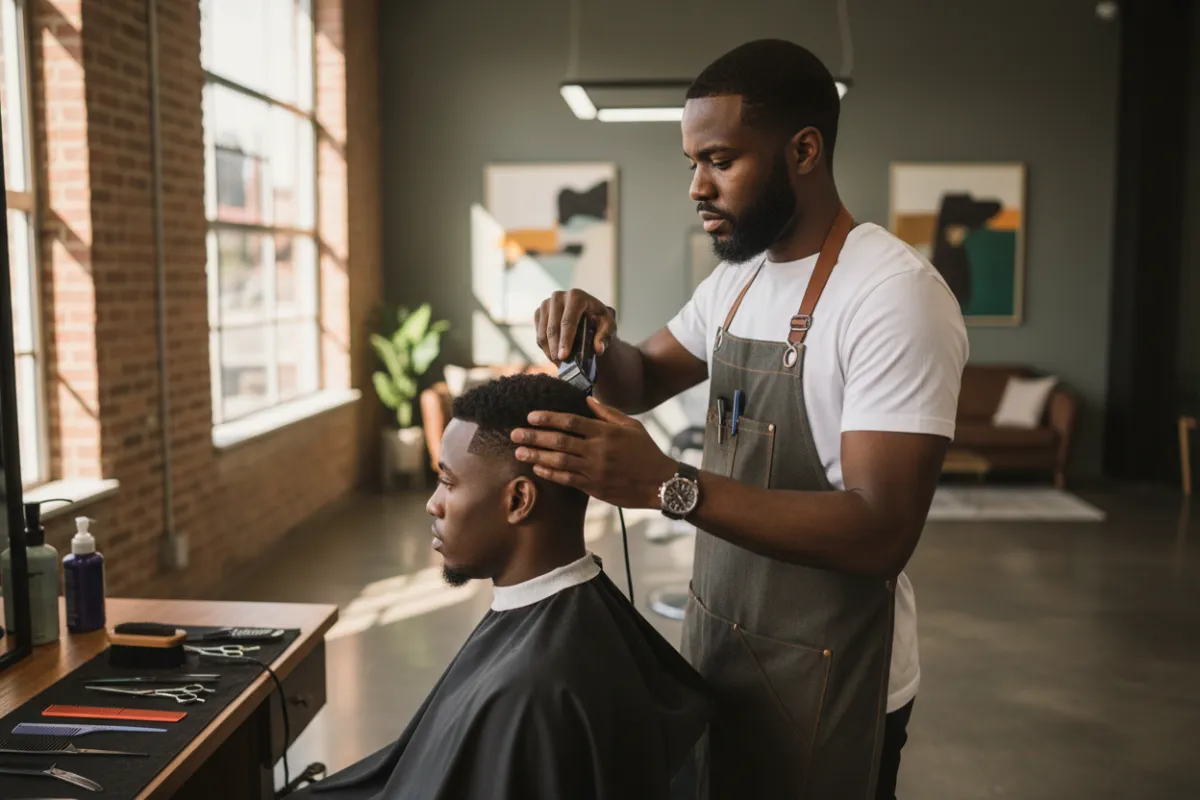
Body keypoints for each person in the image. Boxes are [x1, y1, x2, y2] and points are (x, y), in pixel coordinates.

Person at [515, 39, 968, 798]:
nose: (697, 186)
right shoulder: (739, 280)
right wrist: (592, 335)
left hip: (835, 676)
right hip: (721, 648)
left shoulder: (893, 296)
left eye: (721, 160)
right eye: (692, 162)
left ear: (803, 150)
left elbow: (881, 531)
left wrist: (669, 486)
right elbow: (642, 376)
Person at [294, 374, 710, 800]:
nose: (432, 503)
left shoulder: (534, 686)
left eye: (448, 482)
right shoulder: (573, 627)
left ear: (518, 501)